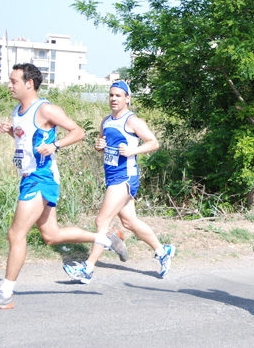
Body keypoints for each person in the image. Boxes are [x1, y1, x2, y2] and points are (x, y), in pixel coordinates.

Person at [0, 64, 127, 310]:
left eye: (14, 81)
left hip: (41, 178)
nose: (9, 85)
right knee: (51, 235)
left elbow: (77, 132)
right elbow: (29, 140)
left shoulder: (45, 109)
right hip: (29, 177)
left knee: (16, 234)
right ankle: (106, 238)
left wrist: (56, 146)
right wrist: (12, 132)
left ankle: (5, 292)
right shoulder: (18, 110)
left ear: (29, 84)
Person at [64, 81, 175, 284]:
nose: (114, 99)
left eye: (118, 96)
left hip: (125, 177)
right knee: (129, 222)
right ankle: (163, 251)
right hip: (112, 177)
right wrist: (100, 146)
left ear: (127, 99)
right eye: (111, 95)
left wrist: (133, 151)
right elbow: (103, 145)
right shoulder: (106, 121)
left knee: (101, 221)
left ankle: (87, 269)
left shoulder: (133, 121)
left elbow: (154, 142)